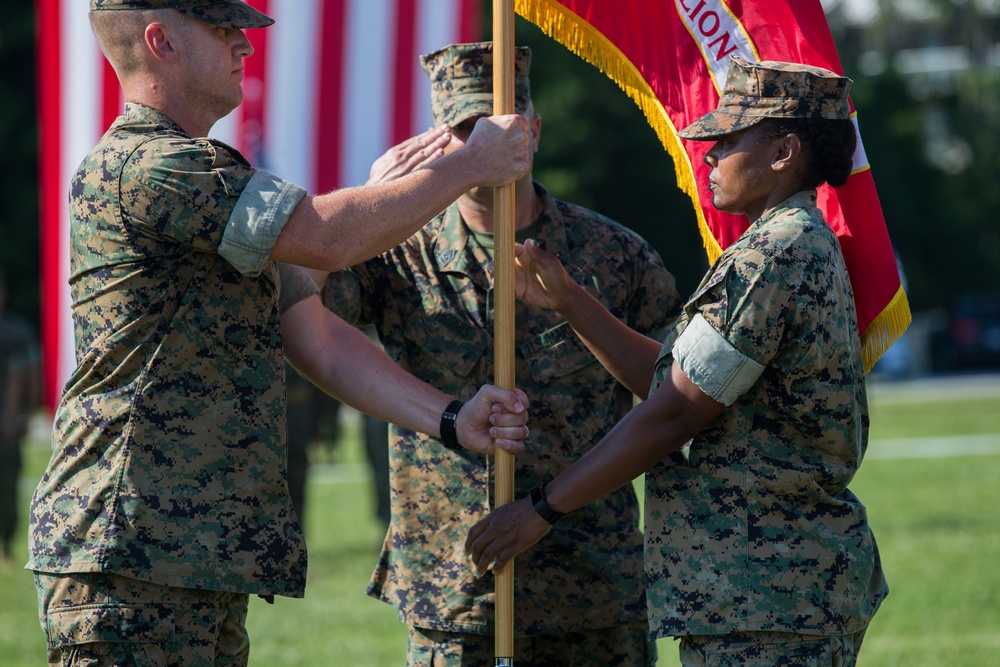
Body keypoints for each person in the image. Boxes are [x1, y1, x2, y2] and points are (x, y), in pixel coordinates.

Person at [26, 3, 532, 666]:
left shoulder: (203, 172)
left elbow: (316, 336)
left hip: (186, 559)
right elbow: (325, 236)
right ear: (160, 42)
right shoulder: (151, 165)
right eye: (221, 29)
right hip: (129, 553)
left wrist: (450, 417)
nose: (244, 44)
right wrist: (469, 165)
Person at [467, 56, 889, 666]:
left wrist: (541, 507)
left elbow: (674, 416)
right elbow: (676, 384)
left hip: (768, 595)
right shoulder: (786, 241)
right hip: (770, 591)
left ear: (784, 151)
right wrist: (568, 299)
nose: (708, 156)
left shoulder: (775, 253)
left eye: (727, 140)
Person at [311, 41, 681, 666]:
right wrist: (370, 200)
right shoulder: (398, 252)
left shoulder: (612, 254)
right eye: (466, 130)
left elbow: (674, 393)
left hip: (591, 587)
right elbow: (298, 308)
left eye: (504, 124)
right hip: (454, 590)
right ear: (438, 141)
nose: (487, 143)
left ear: (534, 130)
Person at [0, 268, 41, 569]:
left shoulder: (16, 332)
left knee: (8, 484)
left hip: (6, 424)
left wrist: (23, 414)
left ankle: (6, 547)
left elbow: (27, 375)